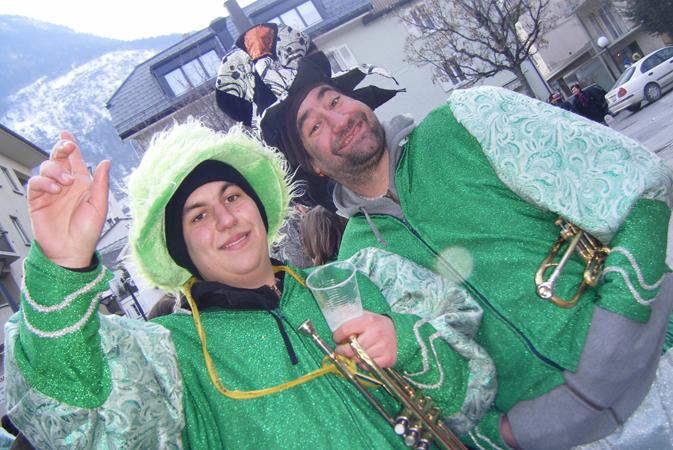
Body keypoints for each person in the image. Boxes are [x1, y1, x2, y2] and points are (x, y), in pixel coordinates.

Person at [215, 23, 673, 450]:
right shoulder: (355, 262)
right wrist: (508, 433)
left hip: (662, 372)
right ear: (314, 164)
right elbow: (420, 388)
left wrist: (618, 330)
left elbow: (638, 184)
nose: (338, 120)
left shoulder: (468, 122)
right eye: (314, 125)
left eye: (332, 100)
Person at [4, 120, 501, 449]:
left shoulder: (363, 276)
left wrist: (407, 345)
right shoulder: (171, 356)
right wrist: (62, 266)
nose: (226, 219)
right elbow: (70, 414)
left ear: (258, 208)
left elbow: (475, 395)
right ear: (181, 248)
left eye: (232, 196)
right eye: (198, 215)